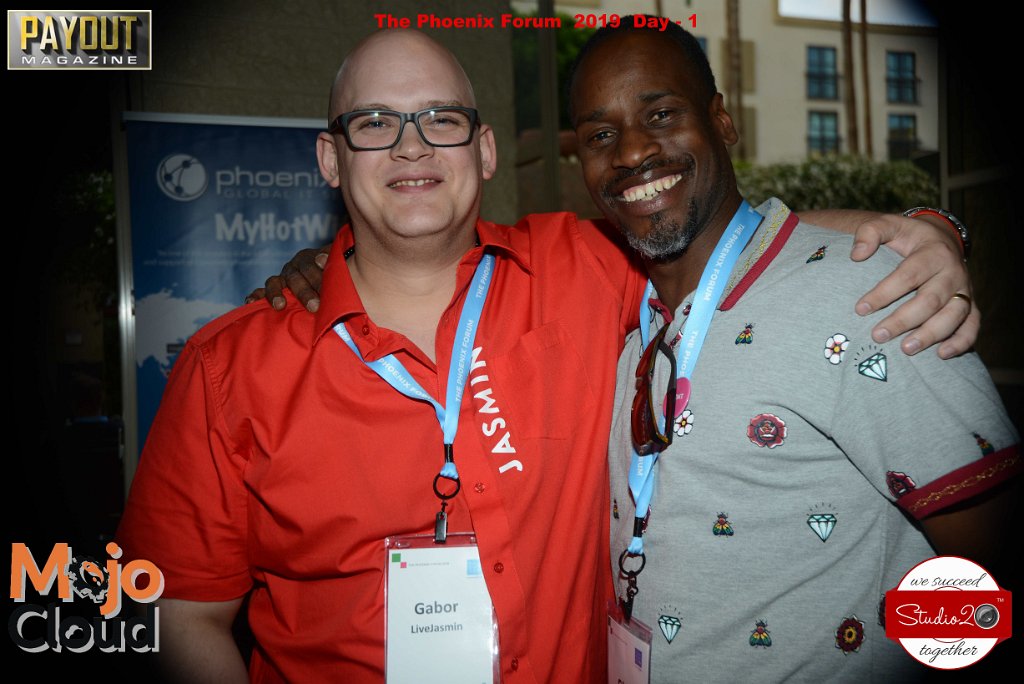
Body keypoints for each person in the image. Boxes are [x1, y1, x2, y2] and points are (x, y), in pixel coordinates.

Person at [122, 29, 977, 683]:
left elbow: (719, 232)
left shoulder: (584, 268)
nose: (412, 147)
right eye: (375, 123)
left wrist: (917, 232)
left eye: (441, 120)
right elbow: (180, 615)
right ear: (331, 159)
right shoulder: (229, 367)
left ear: (485, 150)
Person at [560, 21, 1018, 681]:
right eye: (601, 135)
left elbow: (991, 574)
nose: (632, 151)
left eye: (661, 114)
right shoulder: (636, 331)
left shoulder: (863, 296)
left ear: (722, 121)